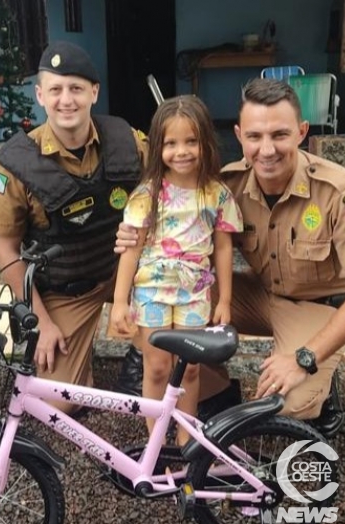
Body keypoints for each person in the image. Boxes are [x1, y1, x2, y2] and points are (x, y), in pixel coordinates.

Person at [116, 78, 345, 437]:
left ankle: (320, 370)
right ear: (239, 135)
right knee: (174, 292)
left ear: (302, 132)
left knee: (287, 401)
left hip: (314, 308)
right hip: (258, 295)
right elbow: (179, 227)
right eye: (255, 136)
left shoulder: (339, 190)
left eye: (280, 134)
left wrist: (304, 358)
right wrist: (132, 236)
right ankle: (188, 380)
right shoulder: (228, 183)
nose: (267, 149)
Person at [0, 41, 148, 414]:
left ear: (94, 92)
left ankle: (141, 357)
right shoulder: (17, 164)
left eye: (76, 88)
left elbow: (168, 189)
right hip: (66, 287)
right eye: (55, 90)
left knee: (184, 350)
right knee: (56, 405)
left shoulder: (127, 141)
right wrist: (41, 319)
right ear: (40, 95)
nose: (66, 100)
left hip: (126, 273)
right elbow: (4, 250)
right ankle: (78, 358)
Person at [111, 95, 242, 444]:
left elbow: (224, 248)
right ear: (158, 147)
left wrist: (224, 299)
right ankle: (156, 442)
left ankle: (187, 441)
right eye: (171, 143)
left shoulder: (217, 194)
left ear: (206, 143)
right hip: (151, 291)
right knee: (156, 366)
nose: (181, 151)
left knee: (191, 368)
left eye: (191, 141)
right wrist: (120, 301)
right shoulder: (147, 194)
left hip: (195, 292)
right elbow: (132, 249)